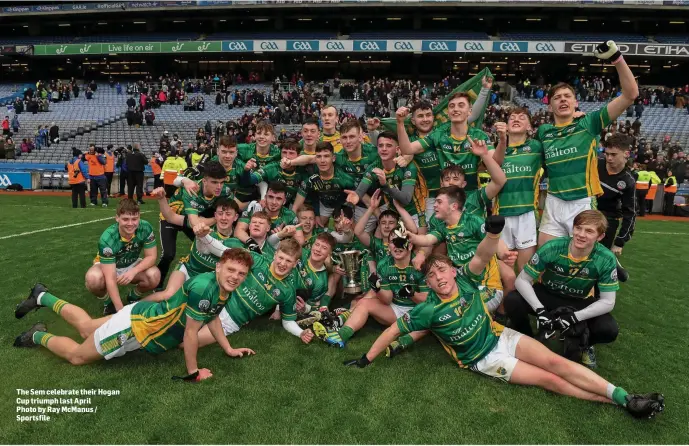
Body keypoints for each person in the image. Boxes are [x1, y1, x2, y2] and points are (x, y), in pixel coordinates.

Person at [343, 219, 665, 420]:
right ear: (427, 283)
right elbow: (393, 330)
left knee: (557, 364)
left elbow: (483, 254)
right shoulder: (426, 310)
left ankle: (626, 398)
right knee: (548, 380)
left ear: (453, 272)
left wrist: (494, 233)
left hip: (501, 336)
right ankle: (621, 403)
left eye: (442, 270)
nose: (439, 277)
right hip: (484, 359)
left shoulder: (466, 281)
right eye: (432, 275)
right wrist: (366, 358)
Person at [14, 248, 255, 383]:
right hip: (136, 328)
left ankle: (42, 296)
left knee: (87, 327)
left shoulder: (225, 289)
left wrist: (228, 349)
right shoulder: (205, 288)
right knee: (78, 357)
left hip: (141, 317)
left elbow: (212, 318)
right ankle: (37, 336)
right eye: (231, 269)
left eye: (241, 273)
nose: (235, 276)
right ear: (218, 267)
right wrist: (193, 373)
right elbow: (191, 332)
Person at [535, 41, 638, 246]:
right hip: (554, 201)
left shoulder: (588, 123)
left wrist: (617, 58)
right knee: (546, 260)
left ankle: (606, 265)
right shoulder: (543, 132)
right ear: (549, 106)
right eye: (557, 97)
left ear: (576, 102)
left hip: (582, 202)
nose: (562, 100)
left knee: (581, 262)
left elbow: (630, 94)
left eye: (567, 96)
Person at [505, 210, 621, 369]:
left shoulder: (605, 258)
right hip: (548, 294)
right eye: (578, 228)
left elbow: (608, 301)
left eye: (589, 231)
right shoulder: (553, 247)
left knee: (608, 329)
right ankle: (528, 338)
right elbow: (522, 280)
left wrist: (574, 317)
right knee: (512, 300)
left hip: (579, 301)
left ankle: (583, 343)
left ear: (600, 237)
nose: (581, 234)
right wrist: (540, 310)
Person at [191, 238, 316, 349]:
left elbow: (288, 321)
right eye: (281, 257)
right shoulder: (257, 260)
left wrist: (301, 333)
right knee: (182, 330)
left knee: (192, 341)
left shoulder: (288, 290)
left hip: (232, 319)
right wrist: (203, 235)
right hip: (217, 299)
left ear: (295, 264)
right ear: (275, 254)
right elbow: (223, 251)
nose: (283, 263)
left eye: (288, 261)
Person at [313, 228, 428, 348]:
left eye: (401, 242)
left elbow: (427, 300)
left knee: (430, 317)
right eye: (393, 242)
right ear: (389, 245)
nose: (397, 247)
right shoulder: (384, 264)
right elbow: (387, 299)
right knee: (364, 303)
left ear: (409, 246)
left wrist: (412, 294)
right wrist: (378, 289)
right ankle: (340, 336)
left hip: (417, 312)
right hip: (395, 309)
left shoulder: (419, 264)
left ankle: (340, 319)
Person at [144, 197, 240, 304]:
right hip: (187, 269)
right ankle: (132, 307)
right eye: (220, 213)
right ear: (215, 215)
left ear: (235, 217)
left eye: (228, 214)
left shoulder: (237, 239)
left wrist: (203, 237)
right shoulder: (201, 225)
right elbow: (171, 217)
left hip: (208, 279)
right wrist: (161, 198)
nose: (223, 217)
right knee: (169, 294)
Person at [397, 92, 495, 191]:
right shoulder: (438, 134)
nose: (456, 109)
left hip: (471, 197)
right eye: (452, 106)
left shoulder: (478, 135)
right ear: (448, 112)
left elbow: (496, 162)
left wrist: (488, 152)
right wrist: (400, 122)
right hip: (441, 198)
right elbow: (407, 149)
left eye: (460, 105)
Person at [155, 161, 230, 289]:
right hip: (171, 217)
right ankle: (157, 285)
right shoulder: (192, 190)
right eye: (214, 182)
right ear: (204, 181)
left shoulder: (225, 191)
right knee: (168, 254)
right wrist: (215, 219)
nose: (219, 187)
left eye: (222, 182)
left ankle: (201, 280)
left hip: (190, 218)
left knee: (205, 249)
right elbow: (195, 224)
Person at [83, 199, 161, 315]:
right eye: (125, 219)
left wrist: (133, 271)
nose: (130, 223)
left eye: (134, 219)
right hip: (109, 267)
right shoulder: (107, 238)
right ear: (117, 218)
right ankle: (108, 302)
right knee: (93, 279)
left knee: (154, 275)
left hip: (132, 263)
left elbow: (151, 257)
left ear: (139, 217)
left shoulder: (145, 228)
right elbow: (110, 277)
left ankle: (133, 297)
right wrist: (121, 312)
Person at [492, 109, 544, 271]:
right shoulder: (499, 151)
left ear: (529, 126)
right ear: (506, 126)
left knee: (525, 269)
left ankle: (523, 296)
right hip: (501, 215)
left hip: (526, 213)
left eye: (522, 118)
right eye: (512, 118)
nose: (516, 119)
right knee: (503, 270)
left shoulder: (536, 147)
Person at [596, 133, 636, 281]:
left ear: (626, 154)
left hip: (608, 219)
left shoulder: (628, 181)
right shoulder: (596, 163)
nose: (609, 158)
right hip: (587, 211)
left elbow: (630, 213)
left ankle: (600, 292)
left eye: (613, 154)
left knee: (600, 260)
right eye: (606, 154)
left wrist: (620, 242)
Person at [291, 141, 357, 226]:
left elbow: (359, 197)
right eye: (319, 156)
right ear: (315, 159)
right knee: (314, 226)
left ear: (333, 158)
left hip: (344, 205)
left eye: (326, 156)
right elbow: (295, 208)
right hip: (325, 206)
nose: (322, 160)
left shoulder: (346, 179)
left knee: (347, 228)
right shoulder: (311, 180)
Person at [235, 181, 304, 245]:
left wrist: (282, 236)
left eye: (278, 199)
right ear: (265, 197)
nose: (274, 202)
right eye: (271, 197)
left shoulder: (289, 215)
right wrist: (253, 244)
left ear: (284, 201)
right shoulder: (255, 208)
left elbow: (300, 241)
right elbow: (238, 231)